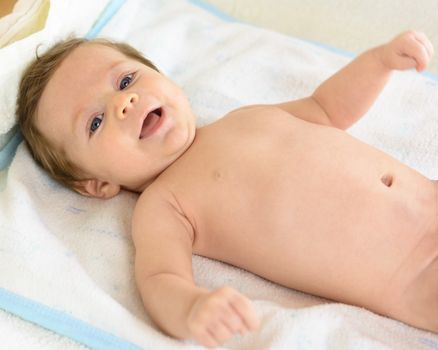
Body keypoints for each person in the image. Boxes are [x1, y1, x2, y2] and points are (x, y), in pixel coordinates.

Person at [17, 31, 437, 348]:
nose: (123, 103)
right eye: (95, 122)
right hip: (414, 274)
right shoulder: (165, 204)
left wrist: (379, 61)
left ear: (162, 78)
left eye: (126, 80)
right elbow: (160, 278)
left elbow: (327, 108)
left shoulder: (243, 118)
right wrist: (191, 307)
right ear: (97, 184)